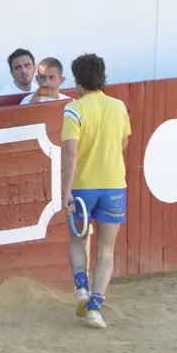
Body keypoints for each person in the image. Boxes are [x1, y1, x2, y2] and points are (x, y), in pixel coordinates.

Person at [61, 53, 131, 329]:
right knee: (106, 249)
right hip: (114, 184)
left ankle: (81, 289)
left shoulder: (74, 109)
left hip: (83, 187)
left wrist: (66, 190)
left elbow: (70, 152)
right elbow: (124, 143)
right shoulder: (119, 106)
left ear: (77, 80)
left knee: (78, 240)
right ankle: (95, 309)